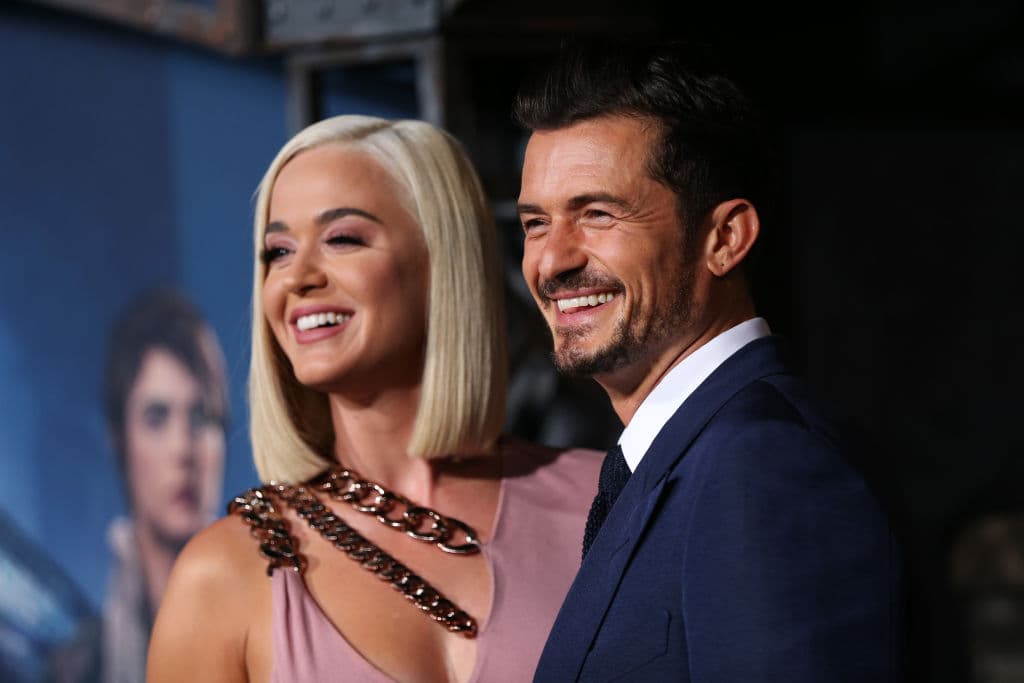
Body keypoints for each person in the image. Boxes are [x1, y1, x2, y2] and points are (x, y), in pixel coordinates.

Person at [146, 115, 601, 683]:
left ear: (443, 262)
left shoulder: (607, 501)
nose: (298, 278)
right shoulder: (220, 576)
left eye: (342, 239)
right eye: (278, 252)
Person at [514, 40, 904, 681]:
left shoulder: (767, 465)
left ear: (724, 238)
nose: (552, 261)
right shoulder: (690, 456)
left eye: (598, 214)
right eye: (535, 223)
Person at [102, 288, 229, 683]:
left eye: (201, 417)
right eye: (157, 417)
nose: (183, 449)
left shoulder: (275, 624)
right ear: (120, 441)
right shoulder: (77, 659)